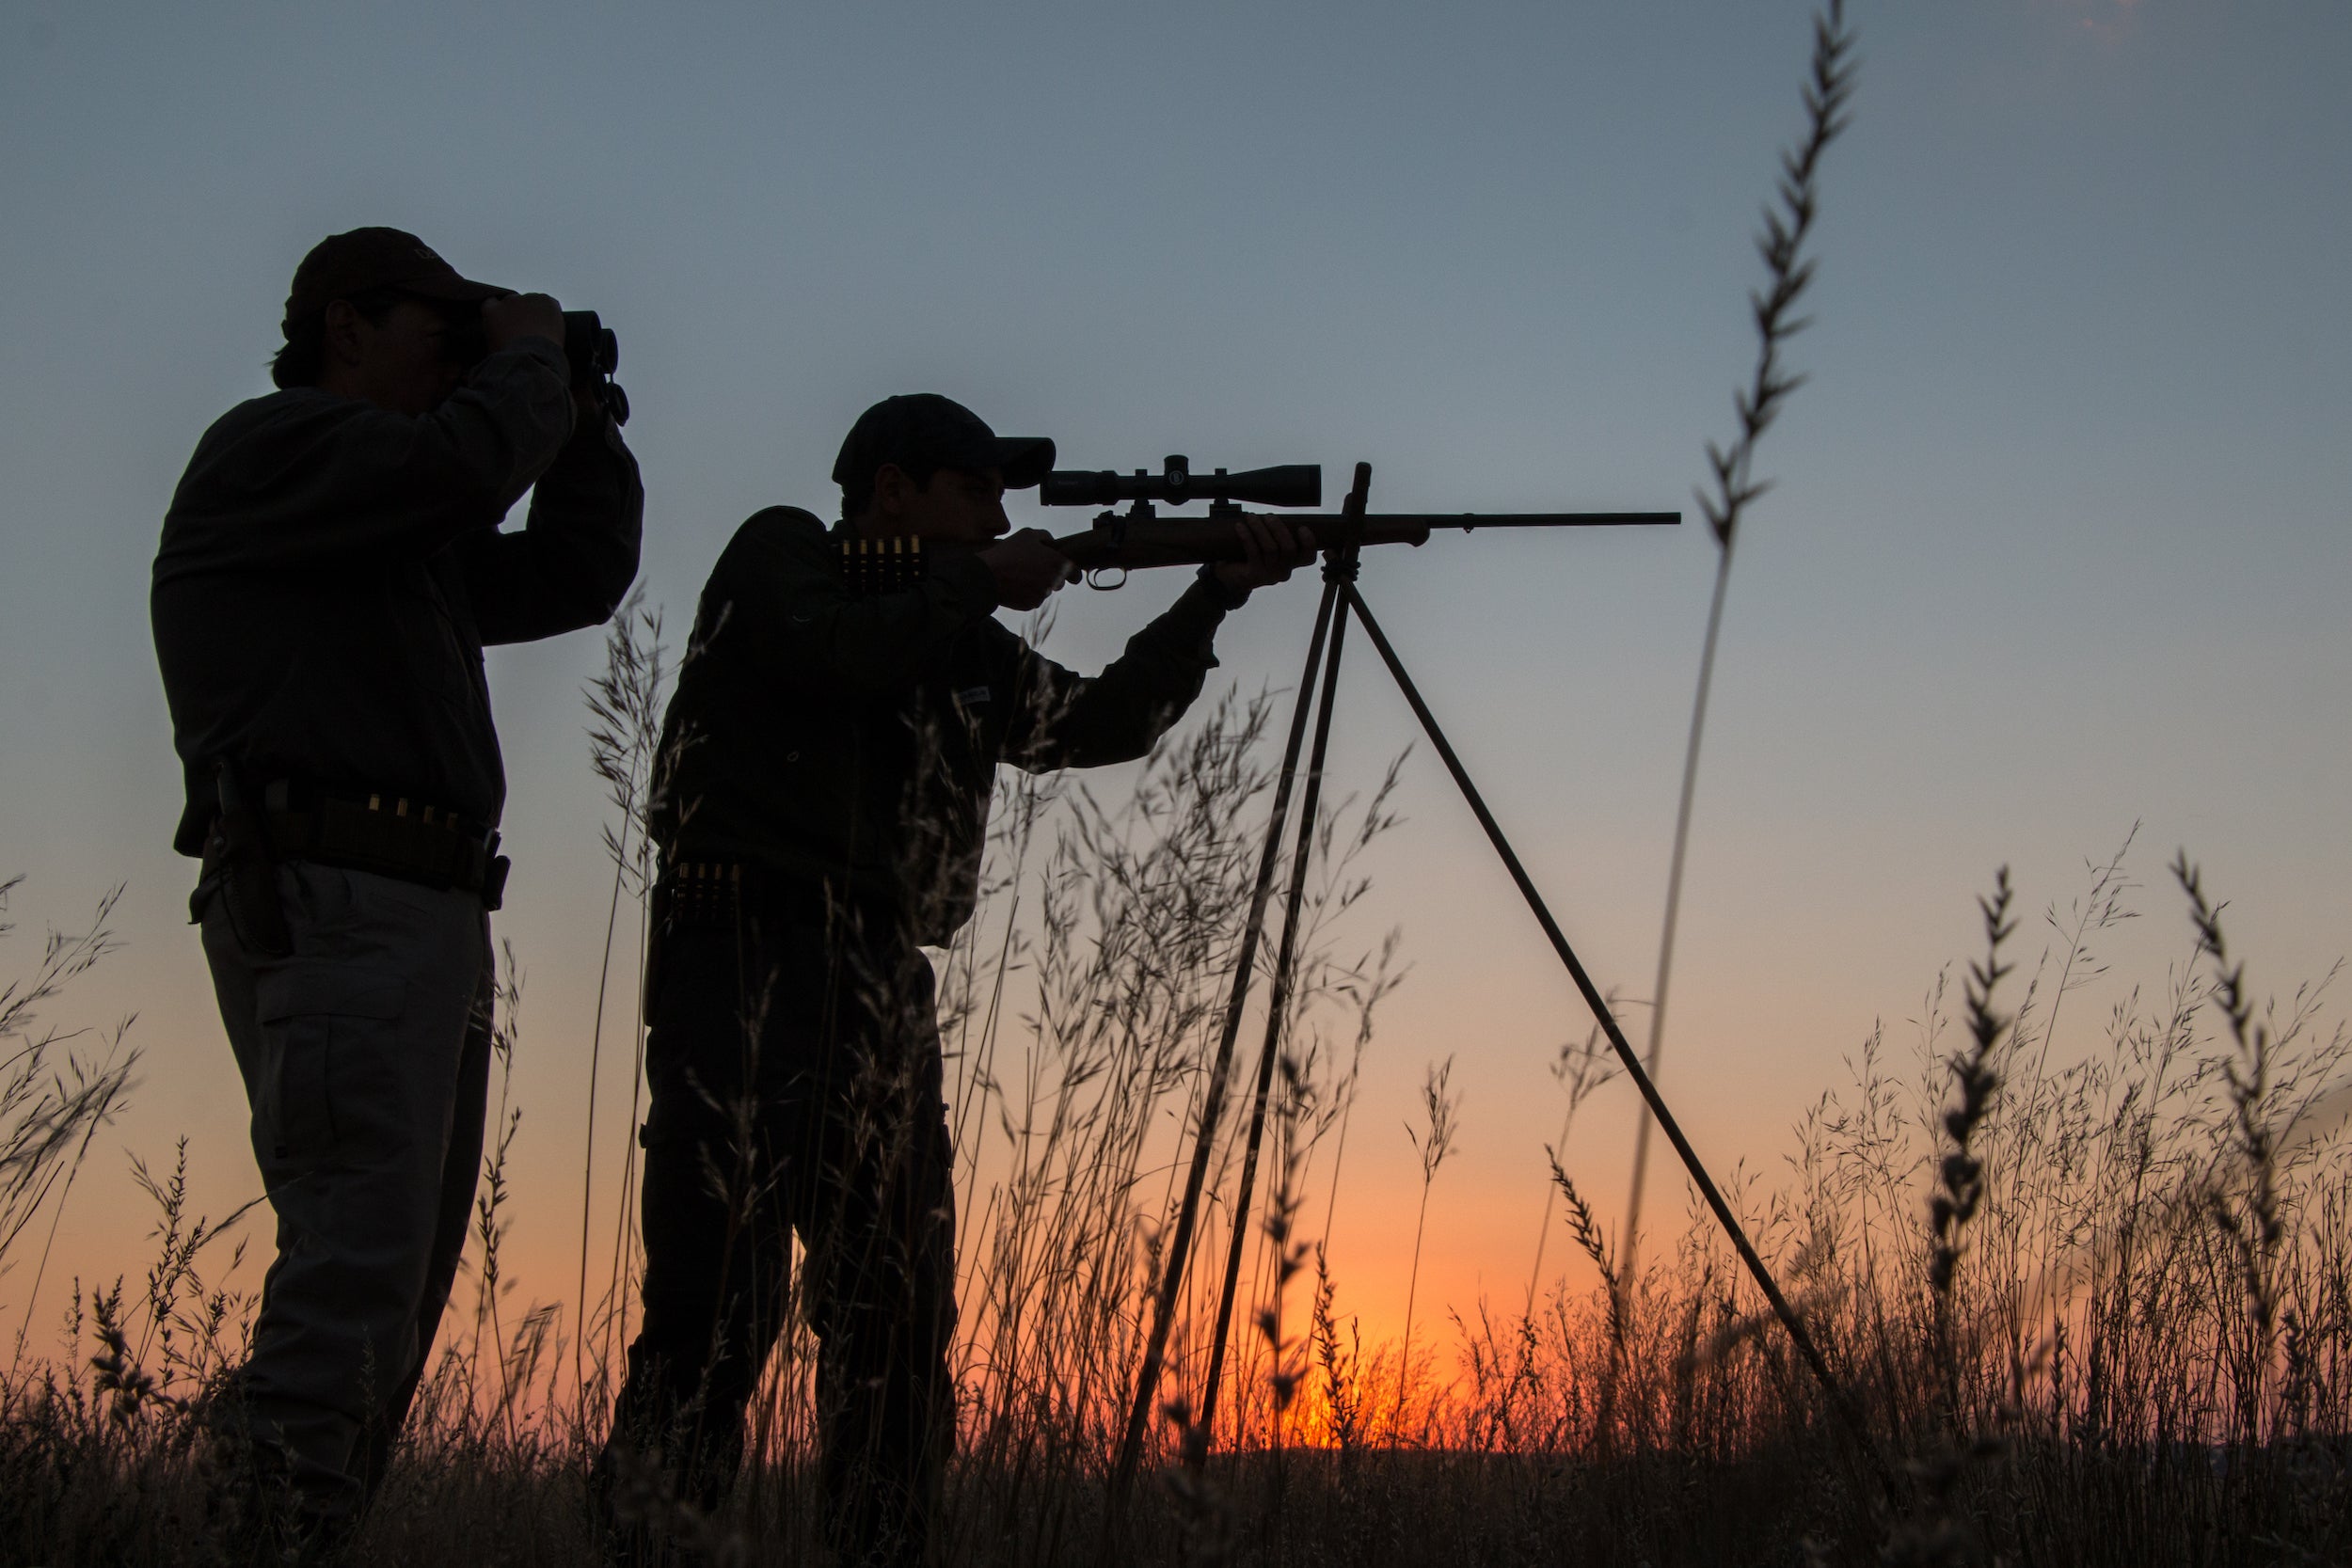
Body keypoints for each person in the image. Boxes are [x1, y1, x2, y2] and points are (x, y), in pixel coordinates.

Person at [596, 393, 1309, 1565]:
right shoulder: (787, 555)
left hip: (878, 984)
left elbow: (1091, 724)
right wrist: (977, 582)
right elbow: (835, 656)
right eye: (973, 492)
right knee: (712, 1318)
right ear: (892, 491)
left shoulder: (958, 634)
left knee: (897, 1322)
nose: (997, 517)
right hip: (739, 964)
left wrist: (1211, 594)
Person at [151, 226, 644, 1555]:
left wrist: (580, 413)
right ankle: (259, 1532)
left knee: (395, 1286)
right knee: (357, 1262)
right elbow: (464, 464)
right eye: (442, 328)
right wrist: (528, 357)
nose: (459, 357)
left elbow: (573, 574)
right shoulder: (276, 448)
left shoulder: (385, 533)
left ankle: (287, 1528)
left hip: (409, 910)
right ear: (345, 324)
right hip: (337, 897)